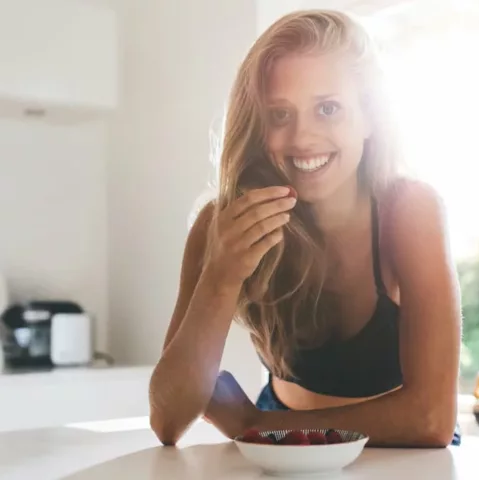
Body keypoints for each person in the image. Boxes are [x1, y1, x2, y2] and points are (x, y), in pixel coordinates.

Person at [148, 9, 462, 448]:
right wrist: (220, 277)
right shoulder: (219, 225)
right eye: (279, 114)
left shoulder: (409, 210)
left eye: (328, 109)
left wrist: (254, 426)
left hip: (394, 446)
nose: (302, 138)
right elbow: (168, 420)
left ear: (370, 116)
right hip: (276, 437)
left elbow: (430, 420)